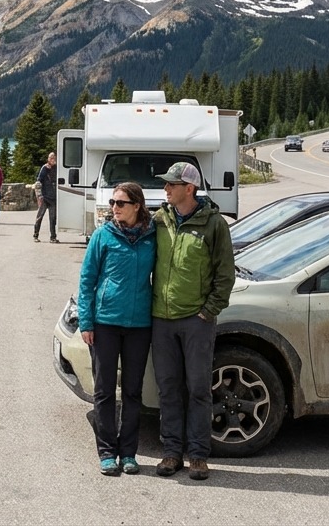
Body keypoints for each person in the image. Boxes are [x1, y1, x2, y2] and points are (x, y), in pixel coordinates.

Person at [150, 161, 235, 481]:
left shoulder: (214, 225)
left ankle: (198, 455)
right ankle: (172, 453)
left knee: (198, 388)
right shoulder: (160, 220)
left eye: (172, 184)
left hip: (196, 320)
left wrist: (209, 311)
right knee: (168, 389)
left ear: (190, 189)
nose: (166, 188)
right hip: (162, 319)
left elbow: (225, 274)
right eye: (166, 183)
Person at [77, 181, 155, 477]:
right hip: (105, 323)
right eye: (113, 203)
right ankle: (107, 452)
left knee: (133, 392)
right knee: (105, 390)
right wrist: (86, 321)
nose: (114, 208)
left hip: (139, 325)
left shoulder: (152, 237)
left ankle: (129, 452)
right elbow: (87, 281)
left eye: (121, 203)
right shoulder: (103, 236)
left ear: (137, 206)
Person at [33, 151, 59, 243]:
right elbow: (38, 182)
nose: (52, 160)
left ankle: (53, 237)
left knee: (53, 219)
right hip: (44, 197)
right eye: (51, 158)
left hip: (53, 198)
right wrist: (39, 196)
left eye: (54, 158)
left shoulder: (57, 168)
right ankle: (35, 235)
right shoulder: (44, 168)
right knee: (40, 216)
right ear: (48, 159)